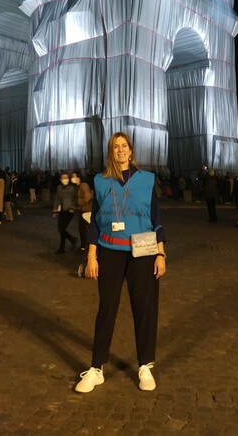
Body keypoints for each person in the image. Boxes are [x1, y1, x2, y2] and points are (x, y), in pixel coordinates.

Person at [75, 132, 166, 394]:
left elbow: (156, 218)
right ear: (110, 152)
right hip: (109, 250)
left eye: (124, 146)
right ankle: (96, 368)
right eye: (116, 147)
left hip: (143, 250)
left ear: (131, 150)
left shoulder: (147, 180)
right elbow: (94, 222)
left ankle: (145, 365)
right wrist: (91, 256)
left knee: (144, 307)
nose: (120, 150)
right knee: (107, 308)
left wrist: (161, 254)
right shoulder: (100, 182)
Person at [53, 171, 78, 253]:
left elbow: (75, 198)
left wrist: (72, 207)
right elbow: (57, 199)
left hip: (69, 210)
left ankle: (70, 241)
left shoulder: (72, 188)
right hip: (62, 210)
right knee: (60, 229)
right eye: (63, 178)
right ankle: (63, 246)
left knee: (62, 228)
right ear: (60, 179)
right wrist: (55, 209)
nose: (65, 179)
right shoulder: (59, 188)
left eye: (66, 178)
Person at [72, 171, 93, 254]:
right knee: (82, 229)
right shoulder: (78, 186)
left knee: (84, 229)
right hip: (83, 210)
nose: (73, 179)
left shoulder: (83, 185)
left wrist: (79, 202)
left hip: (86, 210)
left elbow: (87, 197)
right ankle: (84, 246)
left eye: (74, 177)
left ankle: (85, 247)